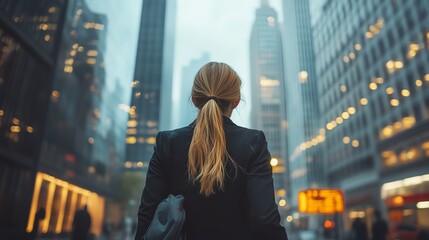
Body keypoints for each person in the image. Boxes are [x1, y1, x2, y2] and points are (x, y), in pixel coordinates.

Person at [135, 62, 288, 240]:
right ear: (236, 102)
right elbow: (264, 220)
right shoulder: (253, 142)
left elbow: (148, 213)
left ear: (194, 99)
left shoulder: (167, 143)